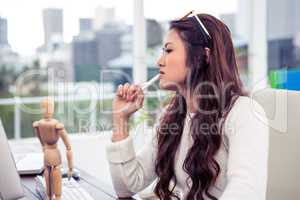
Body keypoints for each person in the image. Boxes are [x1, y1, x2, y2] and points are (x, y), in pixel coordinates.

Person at [106, 12, 269, 200]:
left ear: (204, 55)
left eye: (168, 50)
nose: (159, 61)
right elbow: (127, 187)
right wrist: (120, 119)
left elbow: (246, 193)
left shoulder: (244, 113)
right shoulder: (172, 116)